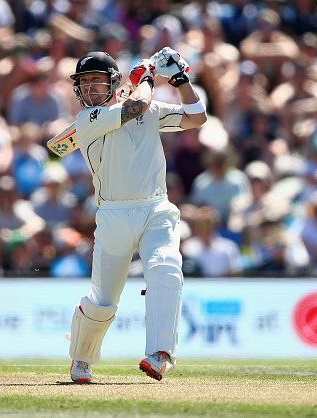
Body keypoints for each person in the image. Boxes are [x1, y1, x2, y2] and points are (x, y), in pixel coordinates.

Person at [63, 49, 206, 383]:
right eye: (84, 83)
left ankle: (160, 354)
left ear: (113, 82)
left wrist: (181, 80)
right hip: (113, 213)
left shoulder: (150, 108)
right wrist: (146, 76)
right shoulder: (88, 121)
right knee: (103, 302)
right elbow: (134, 107)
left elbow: (197, 116)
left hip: (156, 207)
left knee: (166, 267)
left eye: (97, 81)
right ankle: (81, 358)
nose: (90, 90)